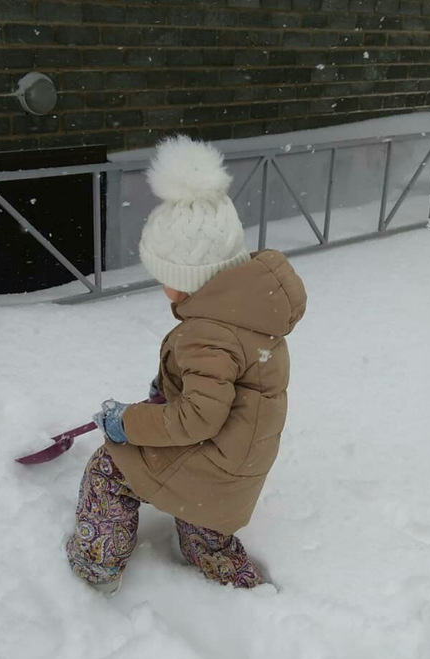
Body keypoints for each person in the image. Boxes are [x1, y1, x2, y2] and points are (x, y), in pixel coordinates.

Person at [66, 135, 307, 593]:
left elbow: (197, 418)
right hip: (237, 460)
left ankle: (96, 565)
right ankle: (211, 551)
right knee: (204, 509)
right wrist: (167, 392)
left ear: (189, 279)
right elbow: (228, 387)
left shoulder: (209, 333)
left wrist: (127, 423)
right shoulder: (252, 311)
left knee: (108, 468)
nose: (162, 287)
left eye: (165, 277)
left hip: (213, 460)